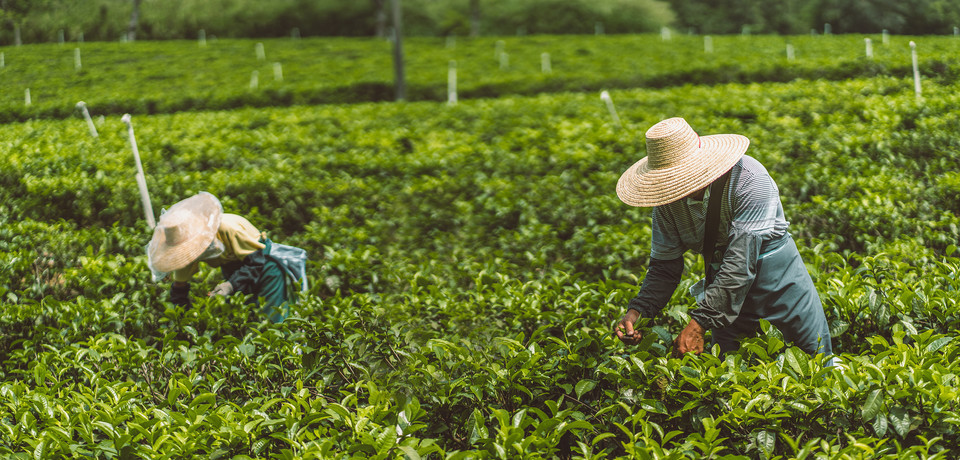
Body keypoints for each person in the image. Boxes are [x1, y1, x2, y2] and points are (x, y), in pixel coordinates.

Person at [614, 117, 833, 358]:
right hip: (725, 299)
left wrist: (698, 325)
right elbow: (665, 268)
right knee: (733, 372)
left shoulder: (750, 180)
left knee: (813, 363)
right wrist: (637, 312)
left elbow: (740, 265)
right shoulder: (666, 206)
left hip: (781, 291)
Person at [146, 192, 292, 323]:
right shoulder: (186, 253)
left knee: (271, 319)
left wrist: (231, 285)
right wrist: (183, 322)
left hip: (265, 266)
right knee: (247, 318)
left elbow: (256, 262)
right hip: (234, 271)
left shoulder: (229, 228)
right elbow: (179, 288)